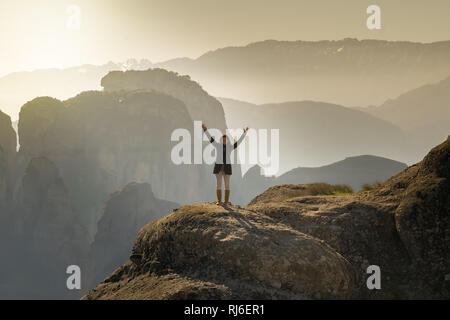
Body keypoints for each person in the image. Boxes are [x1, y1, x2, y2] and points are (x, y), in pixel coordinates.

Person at [202, 123, 249, 206]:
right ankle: (219, 201)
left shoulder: (230, 147)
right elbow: (210, 139)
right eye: (223, 139)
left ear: (227, 140)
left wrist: (244, 133)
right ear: (221, 140)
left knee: (227, 185)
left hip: (227, 168)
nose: (224, 140)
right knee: (218, 185)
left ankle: (226, 202)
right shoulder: (217, 145)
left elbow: (239, 142)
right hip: (218, 168)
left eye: (225, 139)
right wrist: (205, 130)